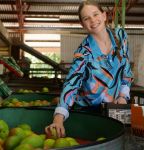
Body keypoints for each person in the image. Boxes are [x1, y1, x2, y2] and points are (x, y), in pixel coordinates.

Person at [45, 0, 133, 138]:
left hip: (114, 111)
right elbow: (71, 84)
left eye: (95, 14)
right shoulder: (83, 53)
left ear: (104, 16)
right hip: (88, 113)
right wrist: (58, 119)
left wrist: (123, 96)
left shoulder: (121, 36)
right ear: (82, 24)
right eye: (87, 18)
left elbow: (127, 71)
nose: (93, 20)